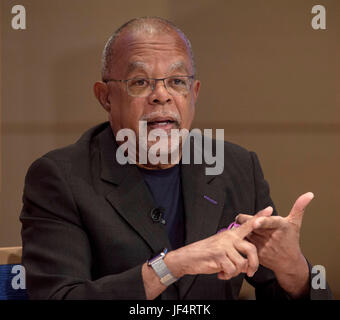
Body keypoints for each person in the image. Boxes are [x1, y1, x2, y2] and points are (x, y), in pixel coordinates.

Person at [20, 17, 332, 300]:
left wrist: (295, 269)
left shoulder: (235, 166)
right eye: (140, 82)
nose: (161, 95)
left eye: (177, 81)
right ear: (106, 97)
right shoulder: (61, 177)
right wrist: (174, 265)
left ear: (193, 94)